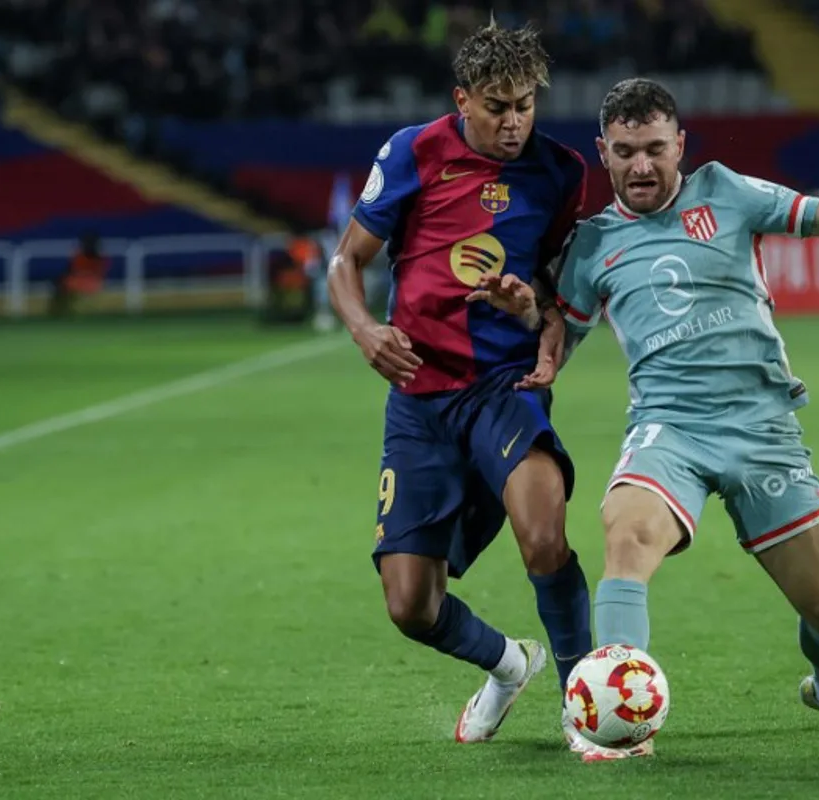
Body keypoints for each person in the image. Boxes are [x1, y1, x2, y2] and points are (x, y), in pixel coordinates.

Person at [469, 77, 819, 761]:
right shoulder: (591, 246)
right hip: (668, 428)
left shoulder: (727, 193)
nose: (640, 166)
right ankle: (616, 724)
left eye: (653, 149)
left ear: (680, 144)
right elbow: (559, 328)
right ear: (603, 152)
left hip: (763, 430)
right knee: (626, 533)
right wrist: (531, 317)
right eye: (624, 152)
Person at [326, 21, 595, 749]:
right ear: (463, 100)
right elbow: (346, 261)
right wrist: (364, 331)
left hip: (505, 385)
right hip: (419, 397)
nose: (514, 122)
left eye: (526, 105)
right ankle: (509, 664)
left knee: (545, 538)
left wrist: (533, 305)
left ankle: (585, 703)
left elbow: (556, 285)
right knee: (411, 605)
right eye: (498, 106)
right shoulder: (414, 151)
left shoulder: (561, 171)